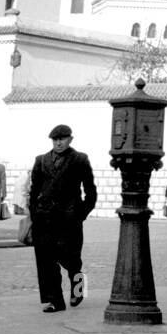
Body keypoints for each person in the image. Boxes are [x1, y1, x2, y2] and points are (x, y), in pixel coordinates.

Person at [29, 124, 97, 312]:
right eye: (55, 140)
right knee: (46, 261)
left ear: (70, 140)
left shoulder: (80, 159)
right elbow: (34, 191)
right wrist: (34, 213)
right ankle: (55, 301)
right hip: (44, 219)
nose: (58, 143)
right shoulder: (41, 160)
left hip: (70, 219)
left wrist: (80, 213)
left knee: (73, 259)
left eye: (62, 139)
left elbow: (91, 192)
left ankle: (79, 290)